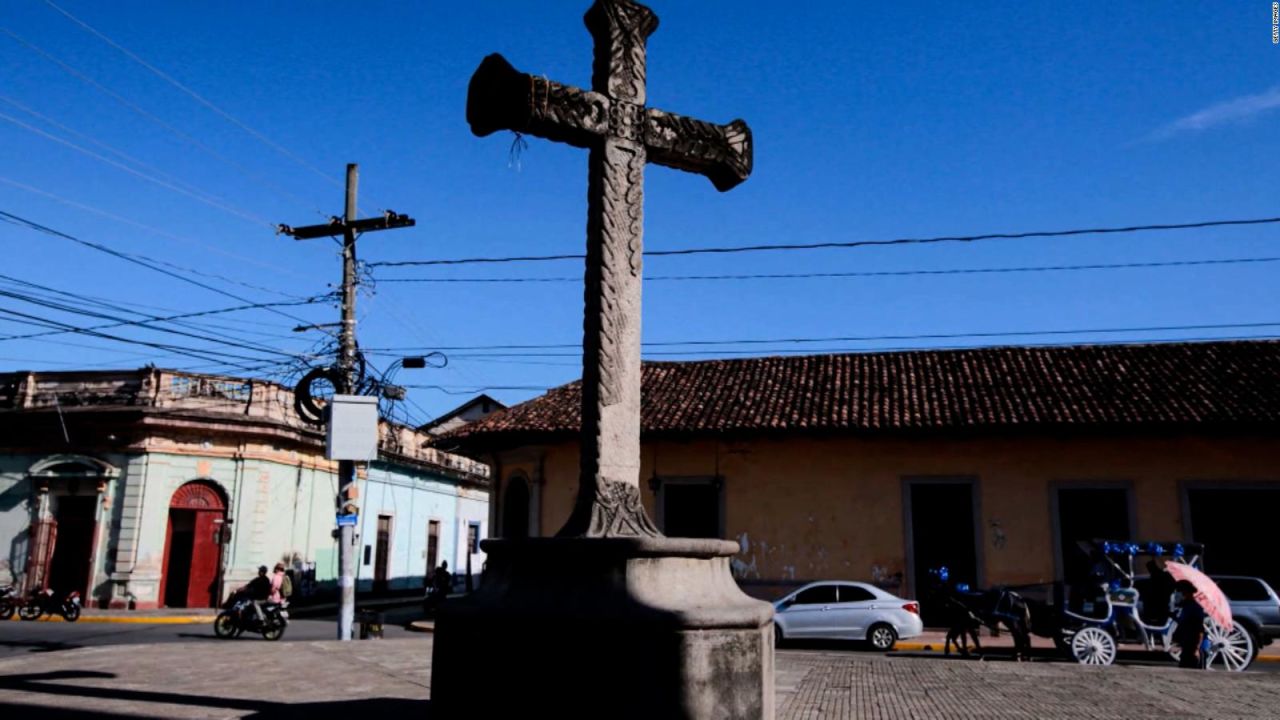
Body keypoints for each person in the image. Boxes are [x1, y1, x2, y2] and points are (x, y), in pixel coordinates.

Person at [1172, 579, 1206, 669]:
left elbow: (1200, 630)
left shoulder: (1195, 608)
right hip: (1187, 644)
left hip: (1193, 646)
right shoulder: (1187, 606)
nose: (1181, 594)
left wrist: (1197, 649)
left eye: (1182, 591)